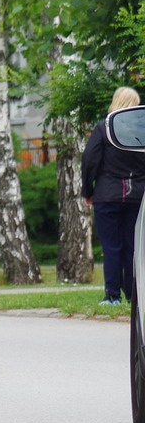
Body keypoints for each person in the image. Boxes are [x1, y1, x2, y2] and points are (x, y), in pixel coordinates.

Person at [81, 86, 145, 306]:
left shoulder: (103, 128)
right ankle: (133, 295)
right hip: (137, 195)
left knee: (112, 247)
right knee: (133, 247)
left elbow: (90, 161)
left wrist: (87, 191)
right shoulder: (141, 133)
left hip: (107, 195)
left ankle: (112, 295)